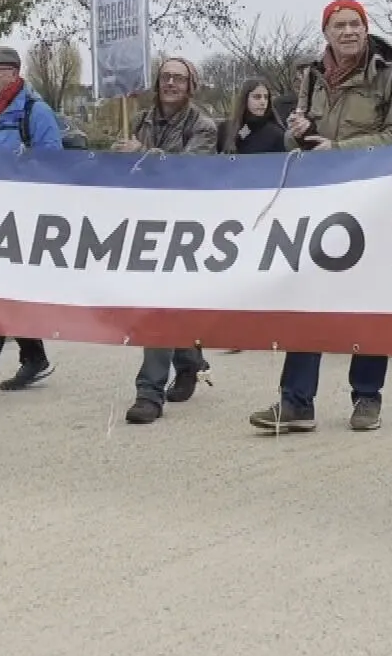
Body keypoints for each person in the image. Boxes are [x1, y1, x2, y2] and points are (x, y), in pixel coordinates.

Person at [249, 0, 392, 434]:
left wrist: (340, 149)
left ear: (366, 28)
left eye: (355, 24)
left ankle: (367, 398)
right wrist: (298, 134)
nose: (348, 31)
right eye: (338, 25)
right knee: (307, 298)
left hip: (376, 203)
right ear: (325, 31)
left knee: (369, 301)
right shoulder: (310, 78)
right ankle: (296, 403)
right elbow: (300, 141)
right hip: (322, 203)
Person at [0, 45, 65, 411]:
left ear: (13, 73)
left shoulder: (35, 113)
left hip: (21, 221)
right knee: (4, 295)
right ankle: (34, 357)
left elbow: (53, 168)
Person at [116, 57, 218, 425]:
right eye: (165, 77)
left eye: (179, 78)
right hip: (146, 222)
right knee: (161, 301)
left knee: (158, 303)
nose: (171, 83)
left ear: (191, 85)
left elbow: (191, 169)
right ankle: (189, 360)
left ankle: (149, 392)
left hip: (186, 225)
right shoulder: (139, 121)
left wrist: (142, 155)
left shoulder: (203, 126)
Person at [219, 78, 286, 154]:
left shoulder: (276, 133)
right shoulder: (225, 129)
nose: (263, 102)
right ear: (245, 99)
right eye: (257, 97)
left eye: (266, 97)